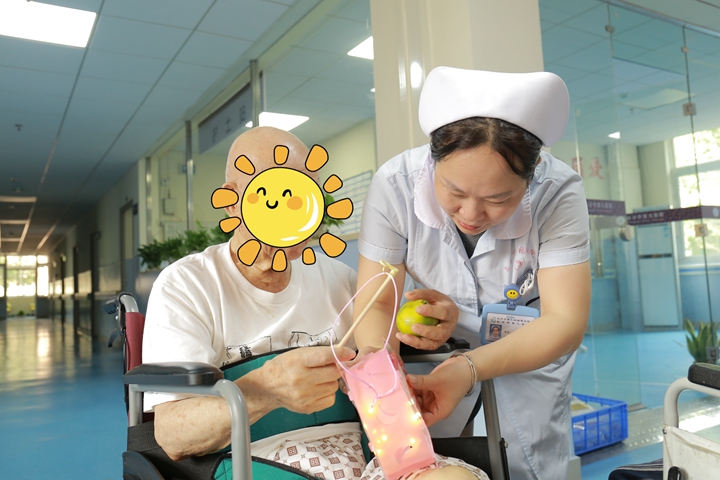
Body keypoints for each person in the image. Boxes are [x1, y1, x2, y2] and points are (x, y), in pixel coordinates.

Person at [142, 126, 486, 480]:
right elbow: (172, 436)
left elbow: (383, 351)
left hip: (365, 460)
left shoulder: (340, 279)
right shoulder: (187, 286)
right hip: (253, 463)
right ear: (233, 201)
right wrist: (265, 390)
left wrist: (431, 322)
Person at [353, 67, 591, 480]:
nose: (471, 214)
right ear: (433, 161)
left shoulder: (558, 192)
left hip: (527, 350)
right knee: (424, 460)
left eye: (498, 199)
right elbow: (377, 301)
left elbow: (565, 321)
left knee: (526, 467)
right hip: (438, 352)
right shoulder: (395, 185)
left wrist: (468, 367)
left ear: (532, 174)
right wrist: (381, 377)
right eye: (454, 191)